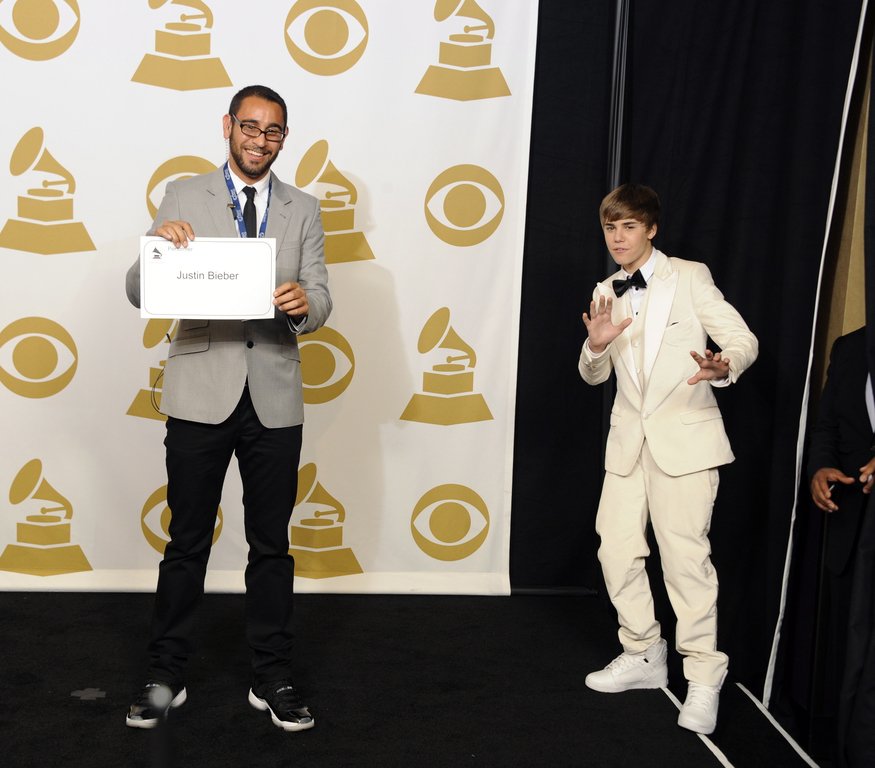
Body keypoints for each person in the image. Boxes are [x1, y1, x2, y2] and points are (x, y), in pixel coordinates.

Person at [124, 84, 331, 732]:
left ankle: (273, 678)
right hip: (199, 391)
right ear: (228, 126)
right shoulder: (183, 195)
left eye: (272, 130)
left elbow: (322, 296)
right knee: (186, 541)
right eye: (249, 126)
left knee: (271, 546)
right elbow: (138, 288)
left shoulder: (304, 208)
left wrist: (306, 305)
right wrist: (158, 248)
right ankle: (165, 675)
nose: (259, 139)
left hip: (274, 394)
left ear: (283, 138)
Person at [578, 183, 758, 735]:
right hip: (628, 446)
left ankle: (703, 676)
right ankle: (643, 652)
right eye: (610, 228)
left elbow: (742, 339)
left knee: (686, 563)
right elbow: (593, 376)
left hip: (685, 442)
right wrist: (596, 346)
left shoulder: (690, 276)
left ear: (651, 229)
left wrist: (723, 365)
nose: (617, 238)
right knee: (616, 551)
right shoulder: (605, 289)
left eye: (629, 227)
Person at [807, 326, 875, 766]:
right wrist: (820, 467)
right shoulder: (850, 347)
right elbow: (827, 424)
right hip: (849, 521)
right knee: (846, 655)